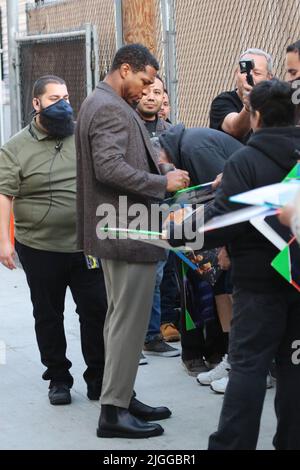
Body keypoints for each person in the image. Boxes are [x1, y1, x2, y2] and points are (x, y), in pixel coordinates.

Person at [169, 79, 300, 450]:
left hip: (258, 289)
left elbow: (221, 219)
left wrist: (179, 231)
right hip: (297, 283)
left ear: (255, 116)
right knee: (294, 368)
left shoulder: (246, 161)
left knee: (248, 367)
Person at [76, 44, 190, 439]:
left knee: (119, 319)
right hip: (128, 230)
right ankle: (113, 413)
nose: (145, 90)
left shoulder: (102, 101)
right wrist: (163, 182)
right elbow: (109, 168)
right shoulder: (108, 106)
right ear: (125, 69)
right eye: (143, 81)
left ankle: (121, 396)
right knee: (128, 322)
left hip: (121, 227)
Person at [0, 75, 107, 405]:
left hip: (85, 245)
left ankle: (99, 377)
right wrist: (5, 241)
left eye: (66, 97)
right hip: (39, 247)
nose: (63, 104)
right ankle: (58, 378)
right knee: (48, 315)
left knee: (97, 311)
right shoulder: (15, 148)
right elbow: (4, 194)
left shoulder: (82, 136)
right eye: (54, 99)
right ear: (36, 104)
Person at [158, 124, 242, 377]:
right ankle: (215, 355)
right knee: (204, 290)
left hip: (227, 229)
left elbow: (222, 201)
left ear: (161, 153)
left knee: (226, 291)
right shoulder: (185, 147)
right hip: (201, 228)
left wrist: (226, 247)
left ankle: (233, 358)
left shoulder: (195, 147)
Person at [136, 75, 180, 358]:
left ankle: (152, 334)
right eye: (146, 91)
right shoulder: (128, 126)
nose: (152, 96)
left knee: (161, 273)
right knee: (137, 277)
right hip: (136, 209)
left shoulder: (172, 131)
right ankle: (133, 338)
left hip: (167, 209)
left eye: (158, 92)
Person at [210, 48, 273, 143]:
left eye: (257, 73)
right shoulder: (223, 101)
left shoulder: (275, 104)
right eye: (244, 71)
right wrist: (248, 107)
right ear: (236, 73)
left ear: (269, 78)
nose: (249, 77)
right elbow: (235, 130)